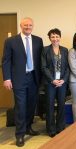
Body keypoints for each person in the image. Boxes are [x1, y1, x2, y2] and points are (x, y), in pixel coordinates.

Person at [2, 17, 43, 147]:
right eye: (25, 25)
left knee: (31, 105)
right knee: (20, 106)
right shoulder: (10, 41)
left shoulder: (38, 40)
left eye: (30, 25)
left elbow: (40, 60)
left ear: (33, 26)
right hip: (18, 79)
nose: (28, 27)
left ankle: (28, 127)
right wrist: (7, 78)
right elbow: (6, 61)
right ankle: (19, 135)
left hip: (33, 78)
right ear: (21, 25)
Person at [41, 28, 69, 137]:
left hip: (62, 82)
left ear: (60, 37)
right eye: (52, 37)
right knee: (50, 106)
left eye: (57, 36)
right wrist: (52, 80)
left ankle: (60, 127)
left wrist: (64, 80)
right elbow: (43, 67)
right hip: (50, 83)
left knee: (61, 104)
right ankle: (51, 129)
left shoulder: (65, 50)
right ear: (49, 38)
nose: (55, 39)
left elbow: (67, 67)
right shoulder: (45, 50)